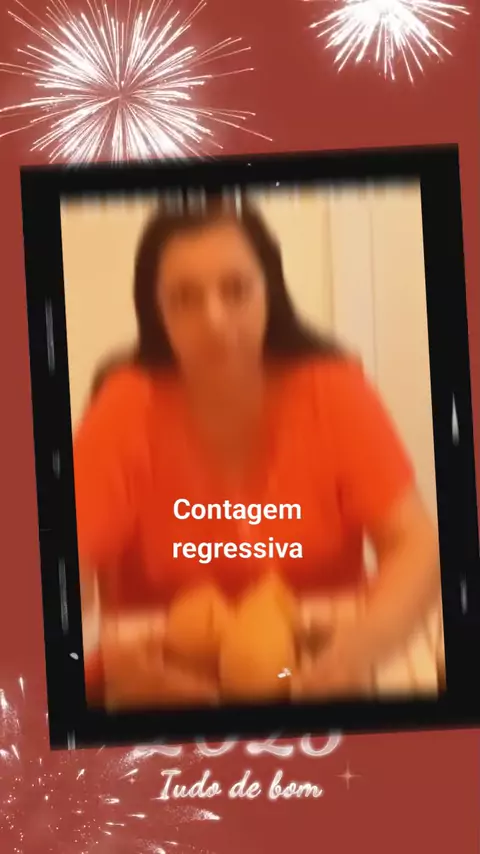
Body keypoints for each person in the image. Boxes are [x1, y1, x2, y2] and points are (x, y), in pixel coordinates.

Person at [74, 195, 439, 708]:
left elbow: (417, 547)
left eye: (237, 289)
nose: (215, 320)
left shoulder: (334, 389)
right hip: (166, 687)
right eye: (184, 298)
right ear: (156, 312)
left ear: (272, 291)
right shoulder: (124, 405)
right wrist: (111, 658)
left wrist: (364, 646)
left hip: (318, 667)